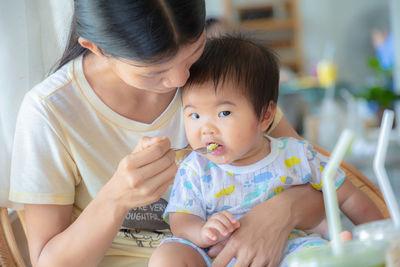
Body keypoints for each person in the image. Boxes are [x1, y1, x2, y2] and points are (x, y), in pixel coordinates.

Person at [8, 1, 348, 266]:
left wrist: (280, 212)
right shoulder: (51, 111)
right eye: (154, 72)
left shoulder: (217, 73)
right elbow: (48, 262)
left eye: (194, 51)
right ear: (96, 47)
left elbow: (320, 180)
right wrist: (116, 198)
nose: (180, 80)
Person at [148, 35, 384, 267]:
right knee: (168, 255)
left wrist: (384, 240)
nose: (206, 129)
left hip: (286, 250)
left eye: (224, 113)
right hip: (213, 255)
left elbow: (348, 195)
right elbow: (181, 219)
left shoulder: (296, 155)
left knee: (317, 258)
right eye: (195, 115)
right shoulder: (195, 168)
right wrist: (201, 231)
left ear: (265, 115)